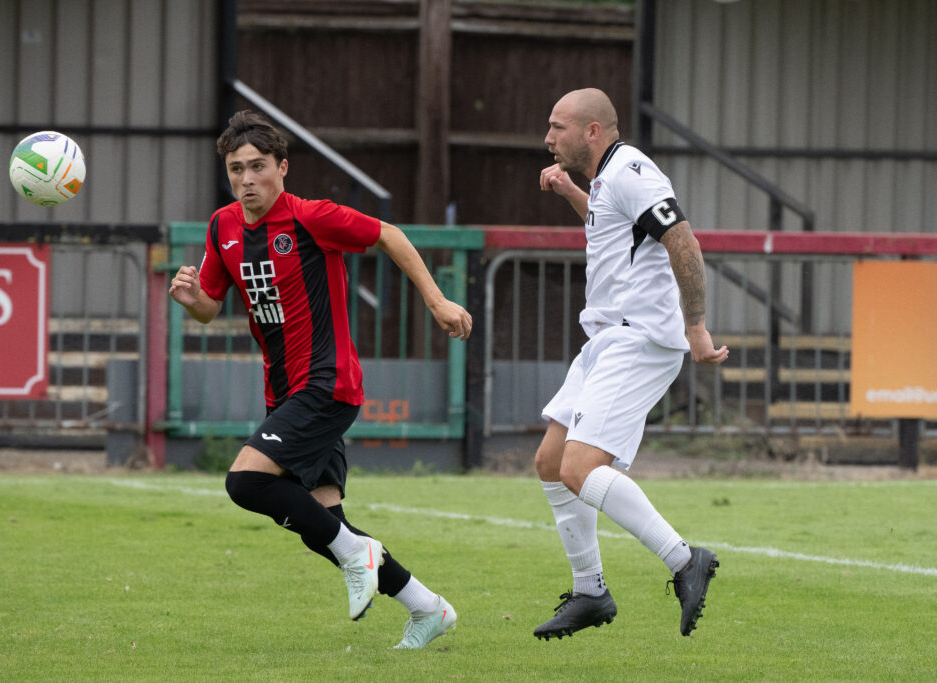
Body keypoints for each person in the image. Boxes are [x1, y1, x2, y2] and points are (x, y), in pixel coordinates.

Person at [169, 110, 471, 649]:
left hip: (327, 384)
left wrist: (437, 300)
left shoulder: (312, 217)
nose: (246, 179)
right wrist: (194, 302)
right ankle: (428, 608)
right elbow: (212, 307)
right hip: (284, 391)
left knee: (245, 481)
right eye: (236, 169)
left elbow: (390, 235)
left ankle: (362, 556)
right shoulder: (222, 227)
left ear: (282, 168)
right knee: (323, 527)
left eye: (257, 166)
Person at [532, 89, 729, 641]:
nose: (549, 138)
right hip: (605, 339)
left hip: (639, 340)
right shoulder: (605, 181)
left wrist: (695, 327)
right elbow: (614, 229)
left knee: (579, 468)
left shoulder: (632, 170)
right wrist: (575, 192)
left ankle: (686, 560)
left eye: (558, 127)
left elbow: (681, 241)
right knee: (551, 462)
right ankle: (590, 591)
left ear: (593, 131)